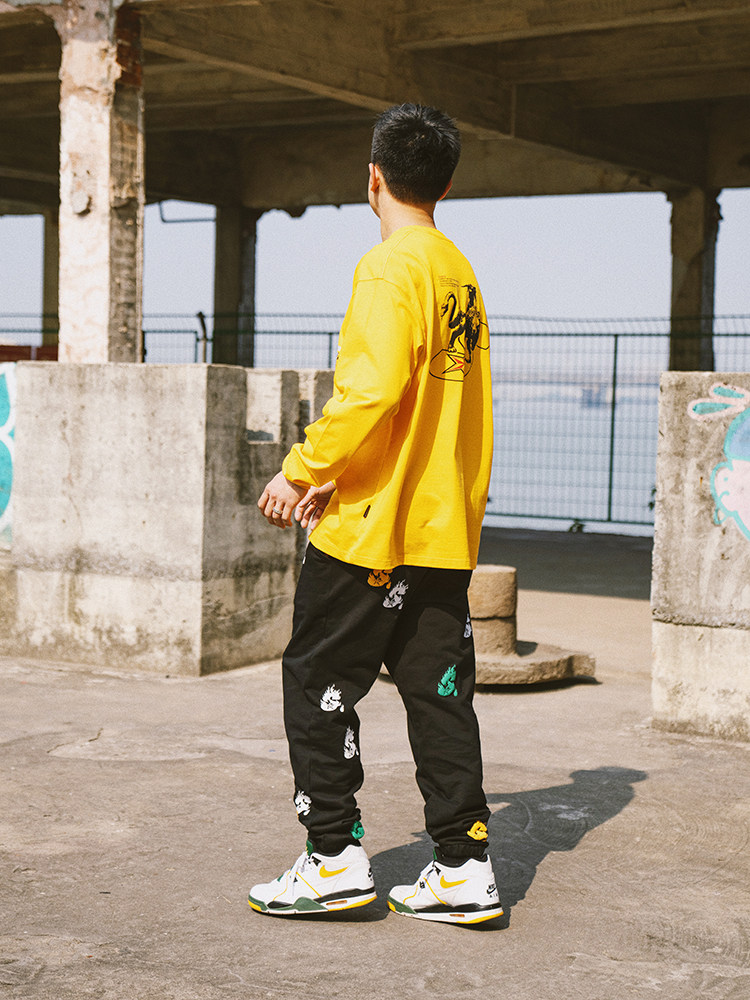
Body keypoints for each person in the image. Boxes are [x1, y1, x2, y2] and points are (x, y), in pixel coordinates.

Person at [249, 103, 501, 925]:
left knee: (315, 679)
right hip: (441, 528)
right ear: (446, 185)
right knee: (440, 696)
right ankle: (462, 867)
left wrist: (304, 470)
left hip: (373, 534)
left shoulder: (389, 268)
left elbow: (373, 391)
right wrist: (344, 475)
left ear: (374, 178)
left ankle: (332, 859)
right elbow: (423, 409)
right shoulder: (458, 271)